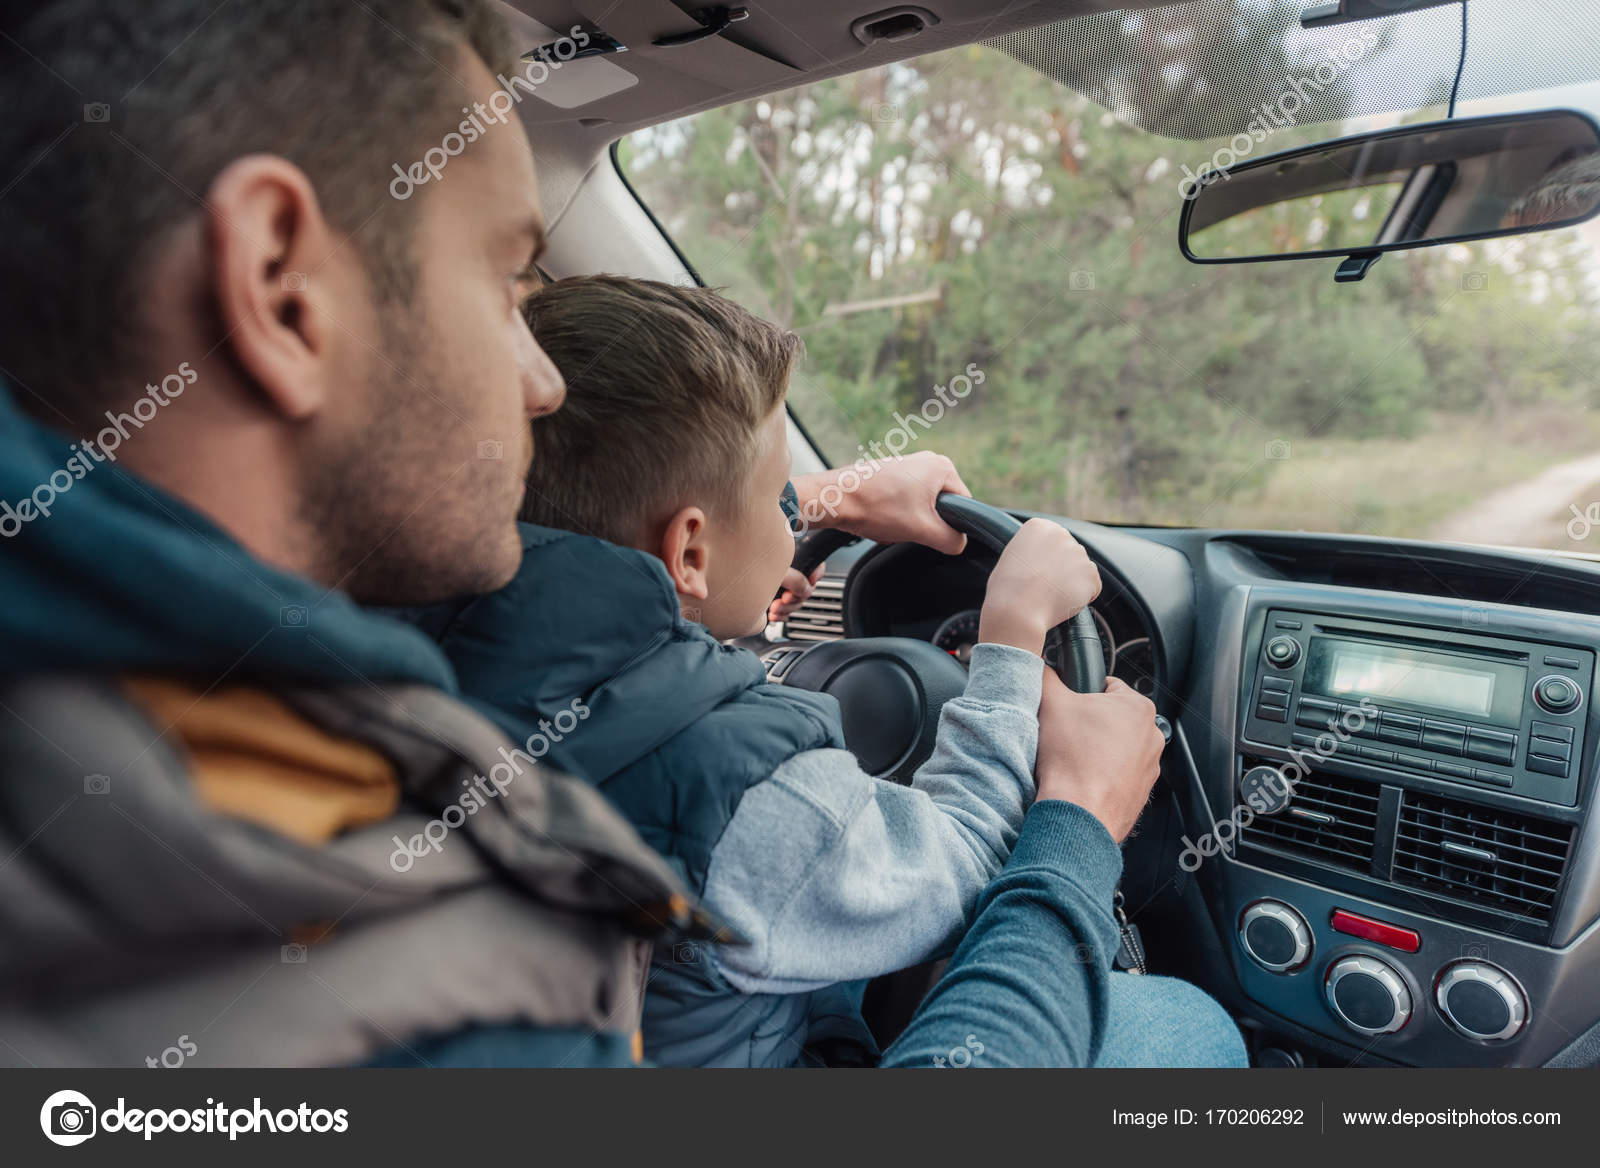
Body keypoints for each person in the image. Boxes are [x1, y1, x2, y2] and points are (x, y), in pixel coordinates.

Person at [0, 0, 1239, 1069]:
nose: (539, 386)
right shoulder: (458, 992)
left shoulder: (309, 675)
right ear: (281, 284)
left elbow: (627, 594)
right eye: (505, 284)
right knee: (1183, 1030)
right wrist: (1071, 817)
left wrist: (810, 504)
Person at [406, 275, 1246, 1067]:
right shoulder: (735, 787)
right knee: (1188, 1025)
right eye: (772, 492)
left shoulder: (406, 637)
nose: (784, 526)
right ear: (689, 551)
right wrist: (1015, 651)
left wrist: (824, 497)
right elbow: (960, 862)